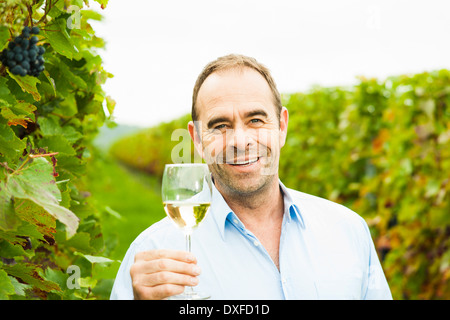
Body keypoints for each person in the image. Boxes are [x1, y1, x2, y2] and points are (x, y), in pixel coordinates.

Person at [110, 54, 392, 300]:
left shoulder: (350, 231)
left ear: (281, 126)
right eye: (220, 125)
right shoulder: (153, 254)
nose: (240, 140)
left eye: (255, 120)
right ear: (196, 138)